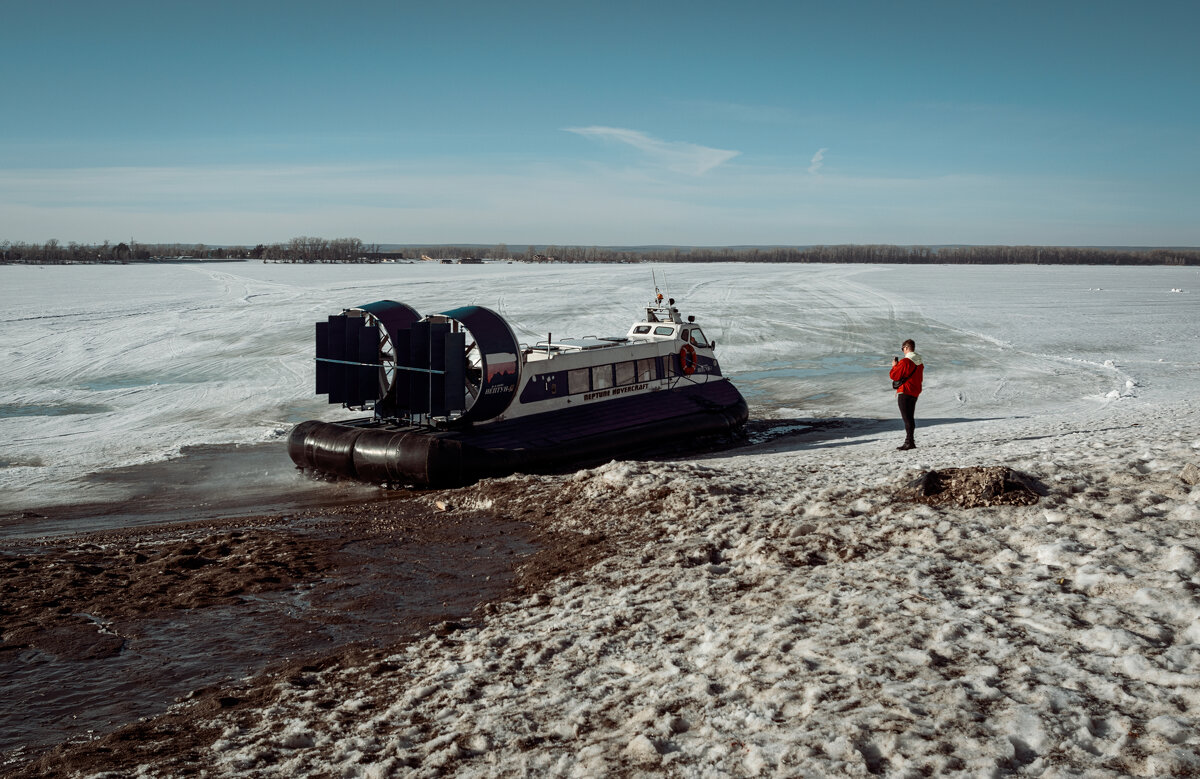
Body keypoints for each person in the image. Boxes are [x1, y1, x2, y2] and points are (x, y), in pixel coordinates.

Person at [889, 339, 924, 450]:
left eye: (902, 348)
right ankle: (910, 441)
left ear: (906, 348)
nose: (903, 351)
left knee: (907, 418)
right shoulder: (919, 362)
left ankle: (909, 442)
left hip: (905, 391)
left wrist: (894, 366)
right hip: (915, 391)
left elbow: (894, 376)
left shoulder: (906, 361)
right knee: (910, 417)